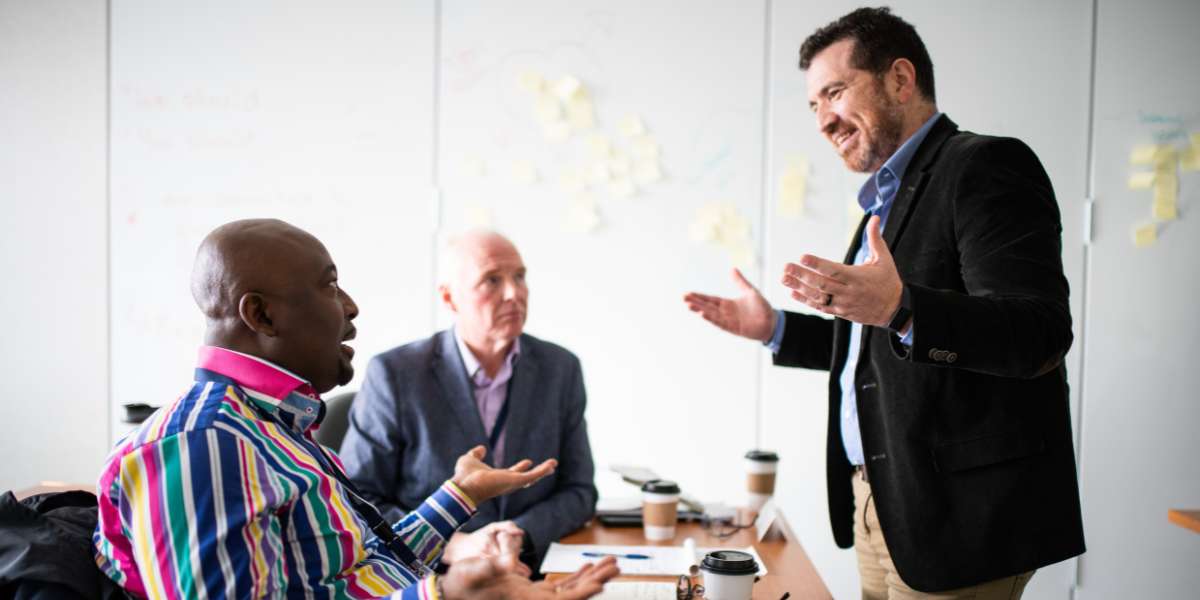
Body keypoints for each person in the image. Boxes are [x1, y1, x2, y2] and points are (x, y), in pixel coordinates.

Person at [684, 7, 1083, 599]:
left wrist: (902, 308)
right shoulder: (884, 205)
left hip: (959, 516)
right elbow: (881, 352)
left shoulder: (986, 166)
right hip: (882, 503)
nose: (823, 120)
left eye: (835, 92)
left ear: (900, 78)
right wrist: (775, 329)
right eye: (813, 105)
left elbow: (1038, 333)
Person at [93, 219, 617, 599]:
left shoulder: (276, 422)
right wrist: (446, 595)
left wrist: (461, 495)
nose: (351, 306)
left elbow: (363, 564)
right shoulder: (202, 445)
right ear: (261, 314)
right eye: (329, 285)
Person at [340, 230, 596, 571]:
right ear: (449, 298)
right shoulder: (396, 374)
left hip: (529, 567)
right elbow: (355, 500)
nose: (514, 293)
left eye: (519, 276)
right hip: (429, 573)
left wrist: (518, 534)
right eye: (491, 280)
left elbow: (579, 491)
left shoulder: (560, 368)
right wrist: (453, 543)